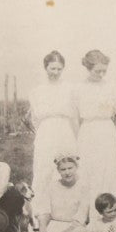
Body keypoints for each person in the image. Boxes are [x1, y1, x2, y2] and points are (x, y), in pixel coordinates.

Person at [11, 152, 91, 232]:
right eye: (63, 169)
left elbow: (81, 218)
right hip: (53, 226)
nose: (67, 172)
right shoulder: (52, 187)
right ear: (58, 170)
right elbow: (44, 213)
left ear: (76, 167)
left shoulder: (83, 188)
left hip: (72, 229)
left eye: (70, 168)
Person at [73, 49, 116, 197]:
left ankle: (108, 208)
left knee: (108, 169)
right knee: (88, 169)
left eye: (104, 71)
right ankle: (88, 211)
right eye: (97, 71)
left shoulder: (112, 86)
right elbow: (75, 118)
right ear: (88, 68)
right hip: (87, 131)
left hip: (107, 130)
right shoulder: (79, 88)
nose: (101, 75)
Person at [26, 50, 77, 188]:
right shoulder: (37, 91)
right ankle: (43, 205)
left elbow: (74, 115)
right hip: (46, 132)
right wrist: (43, 132)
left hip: (65, 131)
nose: (56, 72)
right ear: (45, 68)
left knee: (67, 164)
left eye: (59, 69)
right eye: (52, 68)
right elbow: (35, 118)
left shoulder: (70, 89)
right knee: (45, 166)